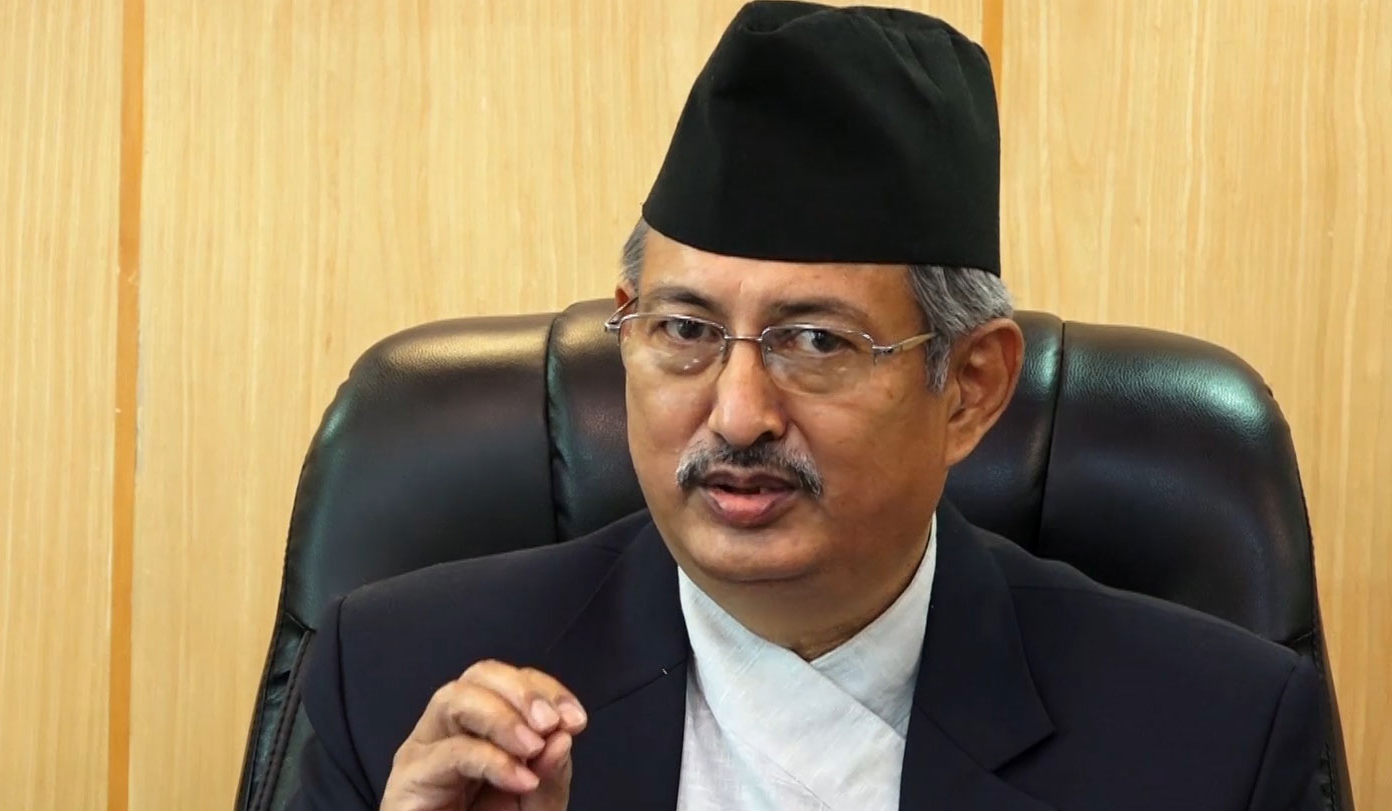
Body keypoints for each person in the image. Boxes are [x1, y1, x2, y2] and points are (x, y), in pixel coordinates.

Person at [290, 3, 1327, 809]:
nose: (737, 415)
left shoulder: (1211, 737)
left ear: (970, 388)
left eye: (816, 341)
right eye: (684, 329)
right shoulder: (398, 685)